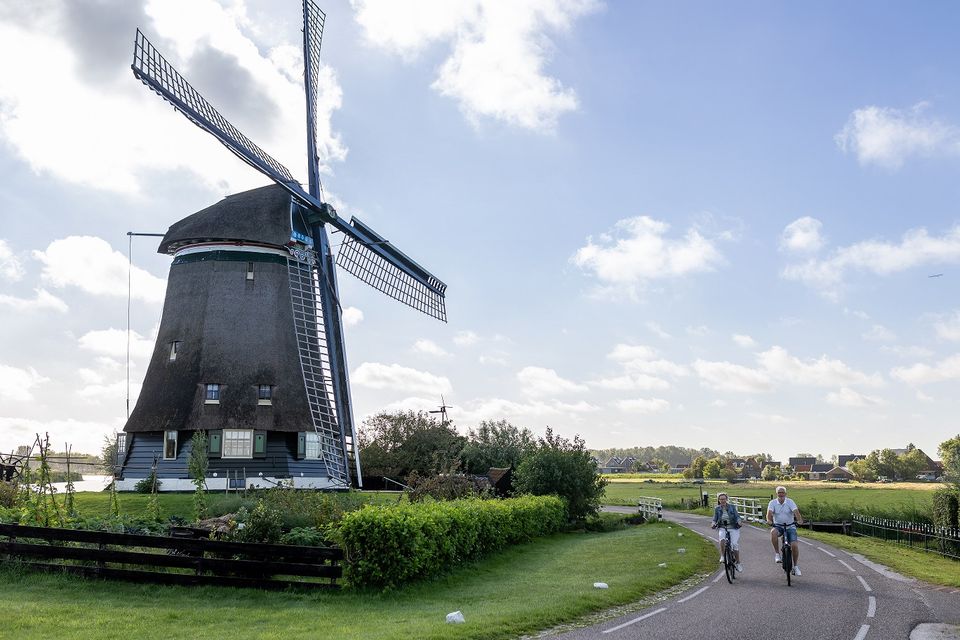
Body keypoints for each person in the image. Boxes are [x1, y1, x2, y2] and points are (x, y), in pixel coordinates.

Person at [766, 485, 804, 576]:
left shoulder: (790, 502)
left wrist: (799, 520)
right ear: (777, 494)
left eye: (782, 492)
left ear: (786, 493)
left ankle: (795, 567)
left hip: (790, 526)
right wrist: (769, 520)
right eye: (779, 492)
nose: (781, 494)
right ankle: (777, 554)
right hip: (778, 526)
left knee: (794, 545)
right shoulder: (772, 502)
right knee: (773, 532)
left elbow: (796, 512)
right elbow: (769, 514)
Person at [711, 492, 743, 572]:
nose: (722, 501)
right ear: (718, 500)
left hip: (733, 527)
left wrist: (739, 522)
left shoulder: (732, 507)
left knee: (734, 544)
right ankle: (722, 556)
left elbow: (737, 516)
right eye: (721, 499)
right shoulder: (717, 509)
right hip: (723, 527)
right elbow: (714, 519)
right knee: (722, 539)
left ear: (726, 499)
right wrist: (713, 524)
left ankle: (738, 563)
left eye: (724, 499)